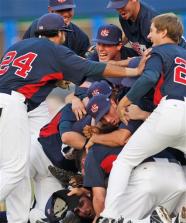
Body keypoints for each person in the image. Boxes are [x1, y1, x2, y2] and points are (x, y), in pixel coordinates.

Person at [0, 12, 148, 223]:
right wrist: (133, 70)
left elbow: (26, 73)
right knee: (14, 170)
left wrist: (54, 79)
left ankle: (18, 219)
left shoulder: (17, 47)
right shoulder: (55, 50)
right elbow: (91, 67)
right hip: (13, 105)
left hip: (5, 101)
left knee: (17, 170)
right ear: (61, 33)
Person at [98, 13, 186, 222]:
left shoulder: (158, 51)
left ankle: (109, 216)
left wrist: (125, 101)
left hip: (170, 109)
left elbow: (149, 77)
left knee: (124, 162)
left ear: (164, 32)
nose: (148, 35)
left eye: (153, 30)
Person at [106, 0, 186, 56]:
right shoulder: (124, 15)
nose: (119, 9)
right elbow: (130, 33)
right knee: (109, 51)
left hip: (176, 56)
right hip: (146, 53)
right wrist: (111, 45)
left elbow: (163, 52)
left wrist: (131, 63)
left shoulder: (149, 20)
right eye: (116, 6)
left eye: (121, 5)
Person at [23, 0, 90, 57]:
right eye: (60, 10)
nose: (66, 14)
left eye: (69, 9)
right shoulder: (38, 27)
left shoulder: (81, 37)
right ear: (50, 10)